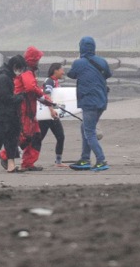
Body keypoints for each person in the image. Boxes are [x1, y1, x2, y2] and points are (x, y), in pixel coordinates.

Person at [0, 46, 50, 172]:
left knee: (35, 135)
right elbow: (30, 88)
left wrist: (42, 98)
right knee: (24, 136)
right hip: (24, 109)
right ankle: (5, 155)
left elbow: (31, 89)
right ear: (33, 60)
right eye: (37, 59)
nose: (39, 62)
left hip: (29, 109)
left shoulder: (27, 71)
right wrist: (43, 97)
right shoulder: (27, 72)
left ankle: (28, 163)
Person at [67, 36, 111, 172]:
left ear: (81, 48)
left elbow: (71, 74)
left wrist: (79, 60)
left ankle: (101, 160)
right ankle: (85, 159)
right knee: (85, 127)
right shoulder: (102, 61)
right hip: (102, 100)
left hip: (88, 101)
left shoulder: (79, 63)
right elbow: (108, 74)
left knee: (89, 132)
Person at [40, 62, 67, 167]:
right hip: (46, 115)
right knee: (38, 138)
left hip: (52, 115)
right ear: (55, 70)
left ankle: (58, 162)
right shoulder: (49, 81)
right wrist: (51, 110)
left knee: (60, 136)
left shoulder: (55, 82)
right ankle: (15, 152)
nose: (63, 72)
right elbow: (47, 95)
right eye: (61, 70)